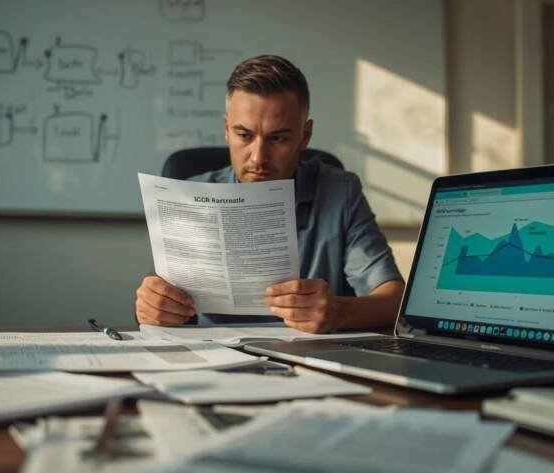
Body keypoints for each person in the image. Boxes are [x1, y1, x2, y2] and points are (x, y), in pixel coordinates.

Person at [136, 55, 404, 333]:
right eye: (244, 135)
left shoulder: (340, 192)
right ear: (227, 129)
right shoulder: (188, 196)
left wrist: (338, 311)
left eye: (278, 138)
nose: (258, 158)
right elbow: (159, 302)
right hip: (216, 359)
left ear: (305, 136)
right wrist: (154, 306)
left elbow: (394, 300)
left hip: (312, 360)